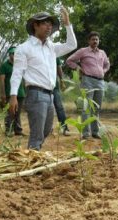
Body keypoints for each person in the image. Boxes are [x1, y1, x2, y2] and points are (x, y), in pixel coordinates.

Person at [9, 7, 77, 150]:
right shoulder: (24, 48)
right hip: (35, 94)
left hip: (50, 95)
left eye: (50, 24)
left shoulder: (51, 47)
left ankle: (33, 153)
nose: (49, 26)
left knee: (46, 131)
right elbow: (17, 73)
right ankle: (32, 162)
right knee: (36, 134)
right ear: (35, 25)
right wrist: (13, 95)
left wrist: (67, 24)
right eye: (45, 23)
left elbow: (72, 45)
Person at [66, 31, 110, 139]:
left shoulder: (102, 53)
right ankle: (86, 133)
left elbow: (107, 64)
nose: (95, 41)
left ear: (99, 41)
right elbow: (69, 60)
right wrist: (78, 68)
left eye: (96, 39)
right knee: (86, 108)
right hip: (87, 81)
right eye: (93, 39)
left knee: (96, 108)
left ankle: (95, 132)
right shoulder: (83, 51)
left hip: (100, 81)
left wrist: (103, 71)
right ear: (88, 41)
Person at [0, 46, 25, 136]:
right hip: (9, 93)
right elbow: (2, 80)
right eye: (13, 54)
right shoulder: (4, 66)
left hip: (20, 93)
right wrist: (3, 94)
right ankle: (8, 130)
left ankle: (18, 130)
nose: (15, 56)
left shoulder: (20, 65)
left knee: (18, 112)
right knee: (10, 112)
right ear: (10, 55)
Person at [53, 57, 70, 136]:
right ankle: (45, 129)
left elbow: (58, 67)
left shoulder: (55, 54)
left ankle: (64, 128)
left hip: (54, 86)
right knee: (44, 108)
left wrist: (61, 80)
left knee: (59, 107)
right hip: (41, 85)